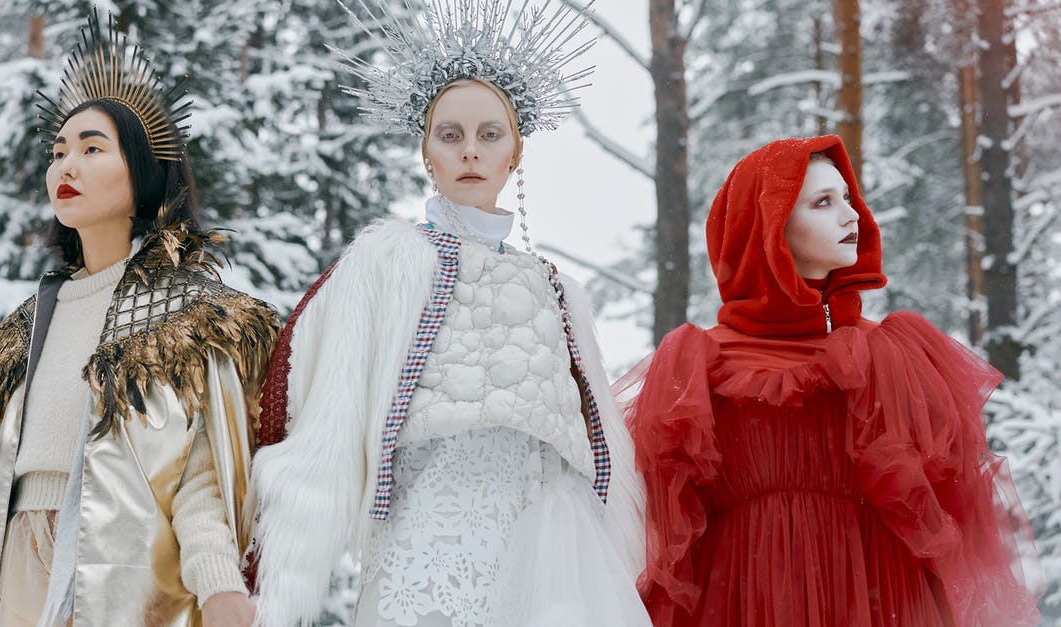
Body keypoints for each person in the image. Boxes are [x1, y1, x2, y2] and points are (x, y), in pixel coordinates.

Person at [243, 1, 649, 625]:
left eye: (490, 134)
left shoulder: (556, 289)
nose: (469, 151)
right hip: (425, 528)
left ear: (515, 153)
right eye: (450, 134)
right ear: (426, 152)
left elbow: (598, 447)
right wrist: (283, 574)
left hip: (546, 536)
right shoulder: (389, 261)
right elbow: (332, 407)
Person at [0, 14, 279, 627]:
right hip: (9, 581)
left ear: (143, 173)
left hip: (122, 581)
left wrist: (219, 585)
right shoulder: (23, 330)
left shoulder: (190, 322)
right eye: (58, 153)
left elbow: (199, 480)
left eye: (90, 149)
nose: (65, 167)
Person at [623, 135, 1040, 627]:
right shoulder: (696, 362)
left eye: (847, 198)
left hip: (881, 596)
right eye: (824, 202)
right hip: (745, 597)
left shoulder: (890, 354)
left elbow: (945, 519)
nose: (852, 215)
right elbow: (666, 536)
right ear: (767, 225)